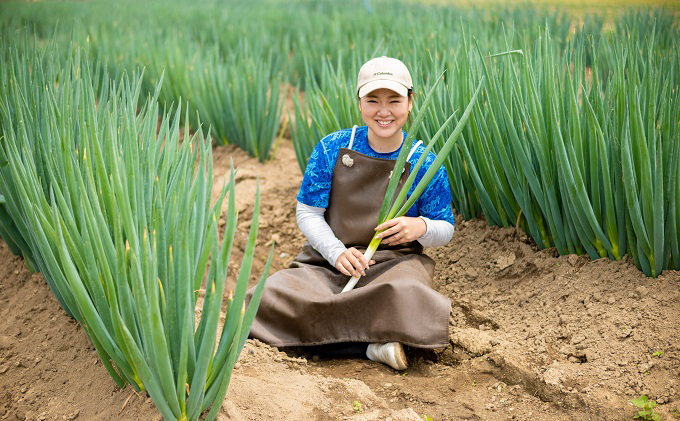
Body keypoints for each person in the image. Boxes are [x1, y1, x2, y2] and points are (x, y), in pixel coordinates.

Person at [247, 56, 454, 370]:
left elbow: (446, 227)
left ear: (410, 102)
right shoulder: (333, 147)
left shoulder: (424, 159)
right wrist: (336, 253)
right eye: (372, 100)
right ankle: (372, 344)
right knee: (265, 295)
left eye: (394, 100)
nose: (383, 111)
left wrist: (420, 226)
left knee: (409, 296)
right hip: (330, 261)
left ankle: (328, 337)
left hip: (394, 265)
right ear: (360, 103)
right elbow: (308, 213)